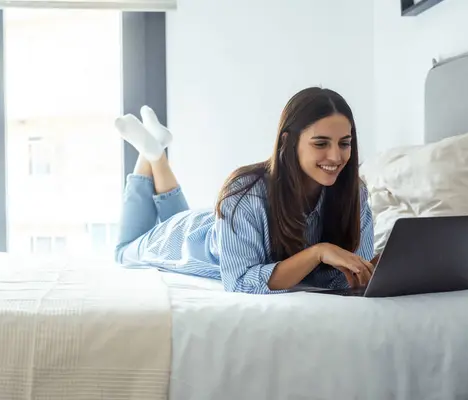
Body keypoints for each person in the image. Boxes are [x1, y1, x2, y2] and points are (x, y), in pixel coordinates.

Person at [114, 87, 375, 294]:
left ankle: (156, 151)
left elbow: (353, 274)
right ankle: (150, 154)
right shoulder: (244, 192)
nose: (336, 156)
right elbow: (240, 281)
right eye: (321, 143)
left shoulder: (355, 194)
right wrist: (318, 252)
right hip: (188, 238)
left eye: (345, 143)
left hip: (219, 224)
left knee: (176, 216)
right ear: (288, 141)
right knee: (123, 252)